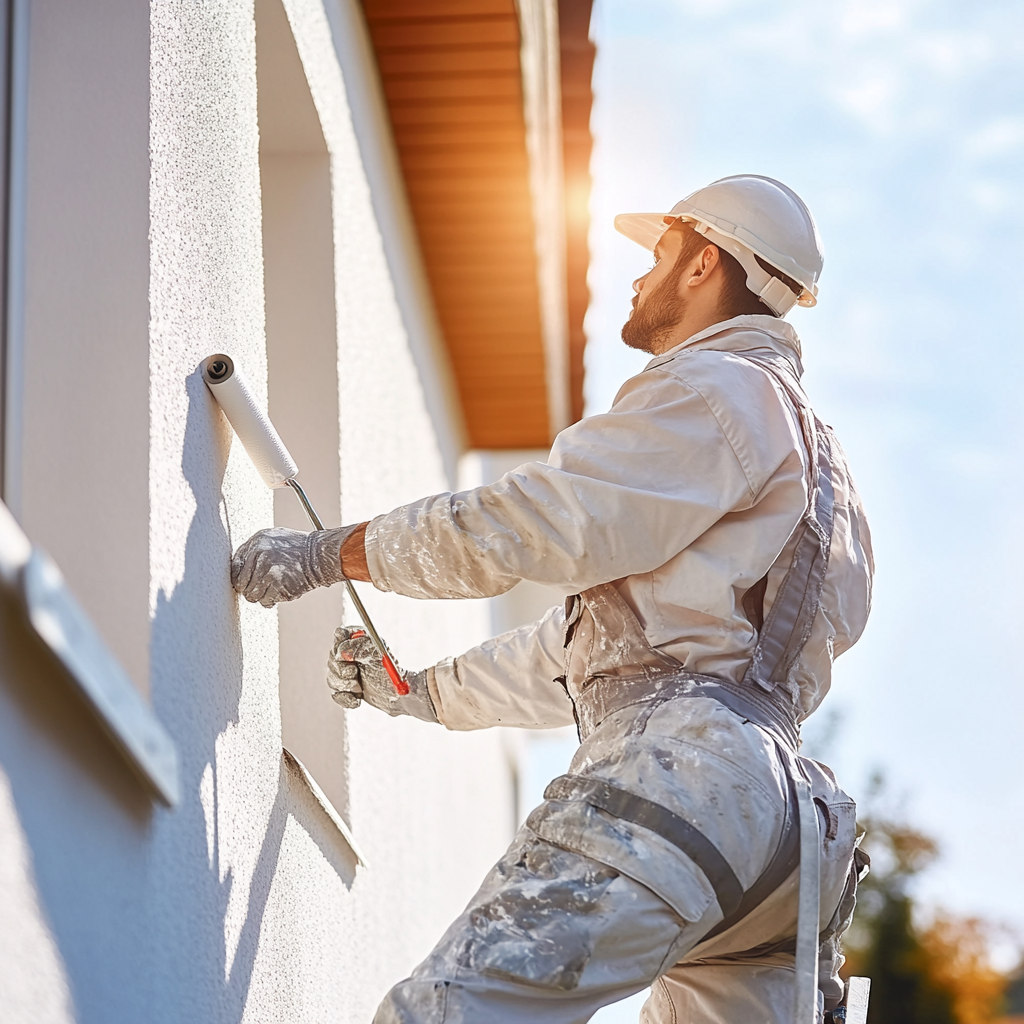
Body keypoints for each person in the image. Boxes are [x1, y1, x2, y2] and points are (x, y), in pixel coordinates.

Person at [231, 174, 874, 1024]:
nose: (639, 279)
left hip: (689, 782)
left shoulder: (714, 390)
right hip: (792, 844)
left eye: (657, 255)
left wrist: (330, 555)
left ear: (703, 262)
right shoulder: (827, 472)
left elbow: (537, 522)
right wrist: (418, 691)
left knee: (452, 1015)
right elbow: (597, 656)